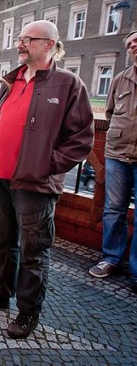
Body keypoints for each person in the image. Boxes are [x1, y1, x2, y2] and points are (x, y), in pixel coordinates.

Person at [0, 20, 94, 339]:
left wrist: (47, 164)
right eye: (20, 38)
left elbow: (81, 138)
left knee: (33, 249)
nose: (20, 44)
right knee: (1, 241)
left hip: (35, 184)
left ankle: (28, 311)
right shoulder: (13, 80)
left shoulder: (68, 84)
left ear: (49, 44)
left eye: (27, 39)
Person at [89, 29, 137, 292]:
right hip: (118, 153)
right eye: (130, 43)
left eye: (136, 41)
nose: (133, 45)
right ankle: (111, 258)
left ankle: (136, 270)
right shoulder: (120, 79)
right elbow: (108, 113)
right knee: (113, 209)